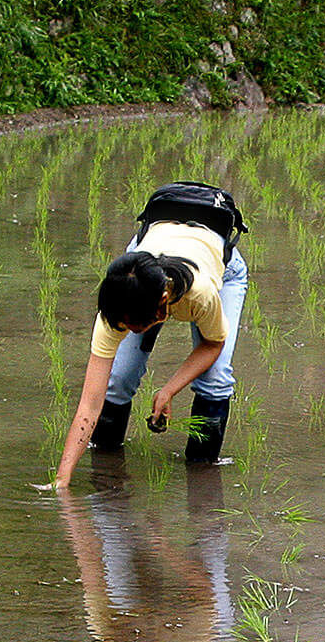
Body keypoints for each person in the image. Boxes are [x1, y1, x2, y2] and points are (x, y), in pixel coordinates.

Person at [52, 183, 249, 488]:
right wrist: (62, 480)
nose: (124, 330)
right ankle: (107, 474)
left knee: (216, 377)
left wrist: (169, 389)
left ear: (160, 311)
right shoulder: (119, 301)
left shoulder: (201, 294)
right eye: (123, 325)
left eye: (133, 325)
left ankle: (203, 483)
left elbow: (213, 344)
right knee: (118, 380)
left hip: (219, 266)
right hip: (145, 260)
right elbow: (89, 405)